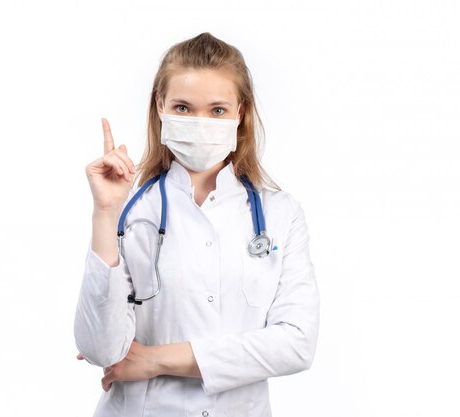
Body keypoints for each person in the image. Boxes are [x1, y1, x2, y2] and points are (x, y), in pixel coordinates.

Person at [74, 32, 320, 417]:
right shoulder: (130, 212)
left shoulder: (280, 214)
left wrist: (155, 360)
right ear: (160, 107)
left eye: (217, 110)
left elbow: (297, 344)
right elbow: (100, 350)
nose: (200, 122)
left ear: (241, 112)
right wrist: (105, 213)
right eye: (184, 108)